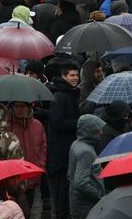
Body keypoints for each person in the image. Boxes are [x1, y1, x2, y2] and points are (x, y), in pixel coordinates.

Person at [48, 62, 81, 219]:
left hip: (66, 150)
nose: (75, 78)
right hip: (61, 154)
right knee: (61, 192)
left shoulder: (70, 94)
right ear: (64, 76)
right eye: (71, 75)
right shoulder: (61, 96)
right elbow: (57, 122)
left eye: (76, 75)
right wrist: (79, 122)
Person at [9, 101, 47, 212]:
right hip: (14, 179)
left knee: (29, 209)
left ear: (28, 107)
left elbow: (43, 147)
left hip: (32, 175)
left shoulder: (37, 125)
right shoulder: (8, 125)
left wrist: (41, 166)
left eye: (22, 106)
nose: (19, 109)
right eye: (16, 106)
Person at [68, 114, 107, 219]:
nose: (101, 132)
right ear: (90, 131)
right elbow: (81, 183)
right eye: (97, 129)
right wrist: (99, 196)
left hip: (78, 203)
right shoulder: (86, 152)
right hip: (86, 206)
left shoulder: (76, 144)